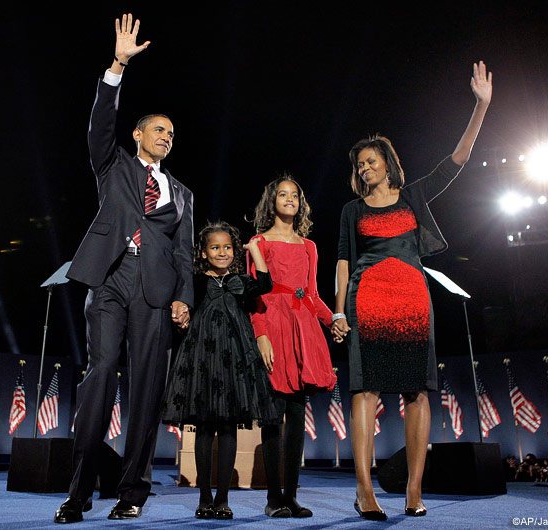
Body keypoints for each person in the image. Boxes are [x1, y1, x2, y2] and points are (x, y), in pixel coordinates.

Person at [333, 61, 492, 519]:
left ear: (387, 160)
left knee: (418, 393)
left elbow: (456, 160)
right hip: (368, 300)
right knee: (365, 392)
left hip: (411, 301)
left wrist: (480, 107)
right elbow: (343, 260)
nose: (365, 168)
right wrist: (340, 312)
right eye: (359, 164)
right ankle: (365, 491)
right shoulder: (350, 210)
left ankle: (414, 492)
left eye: (371, 160)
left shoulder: (413, 195)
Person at [54, 13, 194, 524]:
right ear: (138, 134)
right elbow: (99, 125)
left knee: (147, 390)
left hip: (156, 293)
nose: (167, 137)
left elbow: (184, 251)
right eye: (159, 130)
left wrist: (184, 297)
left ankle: (132, 490)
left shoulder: (183, 194)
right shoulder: (112, 164)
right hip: (110, 279)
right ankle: (78, 491)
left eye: (172, 133)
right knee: (100, 376)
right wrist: (118, 64)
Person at [162, 222, 280, 519]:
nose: (222, 252)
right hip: (202, 359)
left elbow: (265, 284)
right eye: (215, 247)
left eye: (227, 247)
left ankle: (223, 499)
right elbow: (180, 303)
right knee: (204, 427)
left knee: (228, 426)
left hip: (234, 361)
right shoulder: (196, 281)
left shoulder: (241, 280)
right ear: (203, 252)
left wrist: (254, 250)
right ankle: (204, 498)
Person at [248, 176, 337, 518]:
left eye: (295, 195)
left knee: (298, 418)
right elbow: (254, 295)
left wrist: (333, 321)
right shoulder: (259, 242)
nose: (289, 199)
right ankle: (273, 499)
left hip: (303, 330)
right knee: (273, 417)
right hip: (273, 327)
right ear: (271, 201)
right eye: (282, 194)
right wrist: (261, 336)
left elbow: (312, 295)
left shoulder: (309, 246)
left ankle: (291, 497)